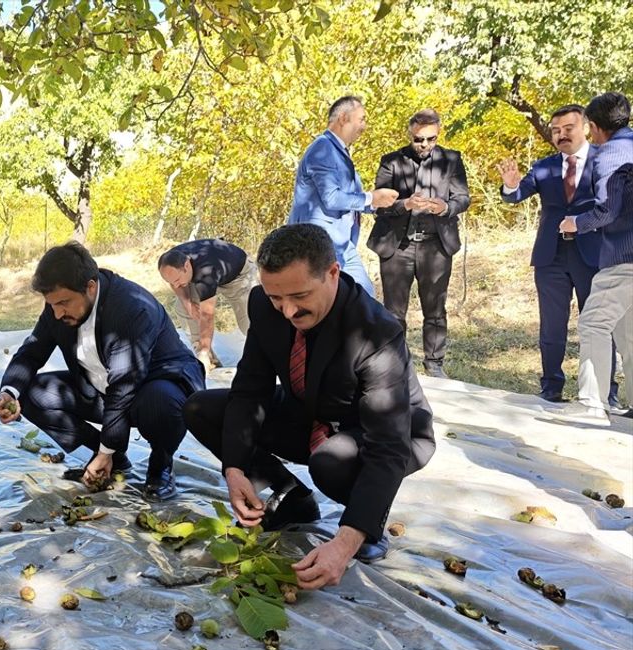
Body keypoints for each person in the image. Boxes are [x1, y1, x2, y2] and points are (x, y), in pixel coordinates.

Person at [183, 224, 435, 590]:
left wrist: (347, 540)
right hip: (310, 411)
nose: (287, 310)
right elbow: (249, 391)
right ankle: (291, 500)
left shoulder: (375, 331)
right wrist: (235, 468)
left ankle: (368, 525)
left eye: (300, 296)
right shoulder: (263, 305)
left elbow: (388, 446)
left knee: (330, 463)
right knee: (200, 408)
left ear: (333, 273)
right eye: (276, 298)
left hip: (381, 433)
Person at [0, 242, 204, 501]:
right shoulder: (57, 309)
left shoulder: (130, 308)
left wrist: (108, 446)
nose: (57, 313)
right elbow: (32, 351)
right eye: (51, 305)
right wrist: (8, 391)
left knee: (161, 402)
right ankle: (112, 461)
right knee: (32, 394)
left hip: (155, 386)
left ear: (90, 287)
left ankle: (160, 468)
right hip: (103, 389)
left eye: (64, 303)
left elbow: (125, 384)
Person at [498, 105, 619, 405]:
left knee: (599, 325)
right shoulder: (544, 167)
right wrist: (510, 185)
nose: (561, 135)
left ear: (586, 127)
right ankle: (551, 386)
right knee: (551, 324)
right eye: (555, 130)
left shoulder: (606, 161)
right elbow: (515, 195)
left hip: (594, 255)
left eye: (568, 128)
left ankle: (605, 391)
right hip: (551, 256)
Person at [367, 109, 470, 379]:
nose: (424, 145)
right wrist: (405, 204)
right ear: (409, 133)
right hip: (397, 246)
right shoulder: (391, 161)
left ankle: (434, 365)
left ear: (438, 133)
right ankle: (395, 364)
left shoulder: (451, 160)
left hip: (436, 246)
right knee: (393, 311)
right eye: (418, 139)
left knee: (435, 308)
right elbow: (379, 205)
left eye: (430, 139)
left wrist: (445, 207)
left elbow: (463, 198)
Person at [553, 92, 633, 426]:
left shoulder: (610, 153)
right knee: (628, 334)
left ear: (595, 127)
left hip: (623, 256)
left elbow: (607, 208)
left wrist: (576, 223)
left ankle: (591, 403)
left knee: (594, 322)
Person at [289, 95, 399, 295]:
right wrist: (371, 197)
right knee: (335, 304)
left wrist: (390, 202)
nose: (364, 126)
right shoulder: (322, 149)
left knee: (364, 299)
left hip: (341, 245)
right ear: (343, 118)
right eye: (361, 119)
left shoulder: (339, 151)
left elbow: (351, 199)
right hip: (318, 247)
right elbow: (332, 198)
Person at [157, 237, 259, 374]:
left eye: (177, 280)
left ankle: (269, 355)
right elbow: (174, 282)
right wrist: (188, 304)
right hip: (208, 271)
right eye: (170, 282)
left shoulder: (206, 272)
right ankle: (209, 362)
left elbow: (207, 315)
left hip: (239, 276)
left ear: (187, 266)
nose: (175, 285)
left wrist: (204, 349)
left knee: (250, 321)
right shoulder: (172, 260)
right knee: (182, 308)